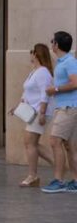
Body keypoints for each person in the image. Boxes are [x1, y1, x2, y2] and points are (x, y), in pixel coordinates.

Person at [9, 43, 55, 187]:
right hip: (33, 111)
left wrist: (42, 113)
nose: (30, 54)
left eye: (32, 52)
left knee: (30, 142)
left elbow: (45, 93)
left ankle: (33, 175)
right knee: (30, 143)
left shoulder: (42, 72)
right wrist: (18, 107)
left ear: (36, 54)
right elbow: (27, 93)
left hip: (38, 112)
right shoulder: (35, 71)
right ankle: (58, 164)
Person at [42, 31, 77, 193]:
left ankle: (59, 180)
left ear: (56, 44)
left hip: (68, 108)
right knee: (69, 146)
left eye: (52, 41)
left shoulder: (69, 62)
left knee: (55, 141)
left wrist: (55, 89)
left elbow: (75, 83)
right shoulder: (62, 62)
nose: (51, 44)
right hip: (65, 107)